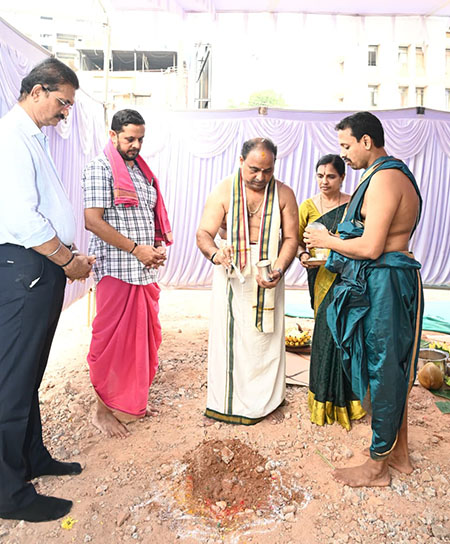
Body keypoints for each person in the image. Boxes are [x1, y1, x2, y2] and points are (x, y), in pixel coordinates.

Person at [304, 112, 423, 487]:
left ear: (366, 141)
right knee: (389, 369)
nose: (344, 153)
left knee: (384, 371)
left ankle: (376, 468)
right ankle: (398, 453)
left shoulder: (386, 179)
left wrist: (326, 241)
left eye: (346, 145)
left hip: (386, 283)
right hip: (382, 279)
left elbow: (372, 247)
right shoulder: (379, 176)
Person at [0, 58, 94, 522]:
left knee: (30, 373)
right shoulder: (11, 137)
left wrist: (66, 256)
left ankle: (31, 458)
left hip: (39, 267)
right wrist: (66, 259)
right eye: (62, 102)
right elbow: (21, 219)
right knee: (12, 380)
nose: (65, 112)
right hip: (26, 267)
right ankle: (8, 493)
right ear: (37, 91)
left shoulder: (32, 136)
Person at [83, 109, 172, 439]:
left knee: (141, 342)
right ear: (113, 135)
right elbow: (92, 221)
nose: (135, 145)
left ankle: (132, 401)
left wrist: (154, 248)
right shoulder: (100, 168)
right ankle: (101, 411)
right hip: (117, 269)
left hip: (143, 271)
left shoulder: (141, 172)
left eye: (140, 139)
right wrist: (137, 249)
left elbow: (147, 217)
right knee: (109, 343)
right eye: (129, 138)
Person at [196, 137, 299, 425]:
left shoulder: (284, 194)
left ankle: (268, 402)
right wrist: (216, 253)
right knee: (229, 337)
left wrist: (278, 269)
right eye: (254, 169)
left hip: (269, 269)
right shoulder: (223, 190)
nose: (260, 177)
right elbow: (204, 233)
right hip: (232, 270)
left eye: (267, 171)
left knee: (266, 339)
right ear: (241, 161)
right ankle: (224, 402)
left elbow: (291, 238)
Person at [298, 154, 365, 430]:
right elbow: (296, 239)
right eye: (320, 175)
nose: (324, 181)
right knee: (325, 334)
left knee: (347, 334)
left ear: (342, 177)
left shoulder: (353, 206)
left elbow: (362, 240)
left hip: (347, 279)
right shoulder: (307, 206)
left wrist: (333, 241)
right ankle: (322, 399)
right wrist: (303, 255)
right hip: (321, 278)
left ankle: (349, 401)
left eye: (331, 176)